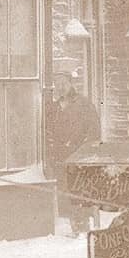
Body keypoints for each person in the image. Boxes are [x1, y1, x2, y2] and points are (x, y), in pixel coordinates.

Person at [45, 58, 101, 235]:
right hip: (61, 160)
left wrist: (82, 152)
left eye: (63, 83)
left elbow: (94, 133)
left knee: (80, 195)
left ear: (71, 84)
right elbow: (47, 132)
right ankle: (73, 228)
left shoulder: (84, 104)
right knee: (65, 195)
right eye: (56, 84)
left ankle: (83, 229)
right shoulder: (52, 108)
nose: (60, 87)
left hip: (79, 160)